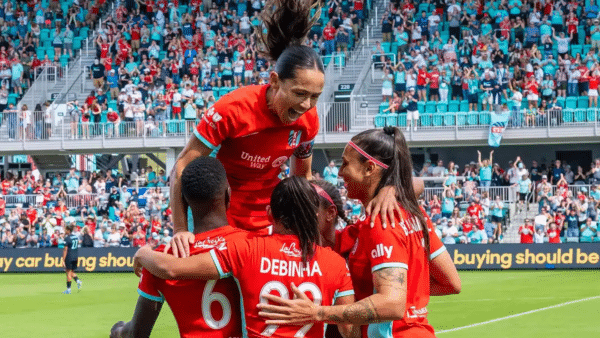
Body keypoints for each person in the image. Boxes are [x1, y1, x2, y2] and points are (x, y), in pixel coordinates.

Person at [169, 0, 411, 257]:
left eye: (315, 96)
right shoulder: (232, 109)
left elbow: (301, 179)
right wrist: (180, 229)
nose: (307, 104)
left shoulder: (308, 121)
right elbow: (182, 166)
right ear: (274, 81)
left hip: (270, 223)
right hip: (220, 221)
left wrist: (388, 187)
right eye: (299, 93)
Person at [258, 127, 461, 337]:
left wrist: (317, 312)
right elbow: (451, 283)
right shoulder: (412, 214)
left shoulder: (382, 222)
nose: (339, 172)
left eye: (345, 163)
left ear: (369, 169)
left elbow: (392, 304)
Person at [132, 175, 357, 338]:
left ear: (269, 214)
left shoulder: (247, 249)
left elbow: (172, 269)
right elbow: (349, 330)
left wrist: (144, 253)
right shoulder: (336, 264)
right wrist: (320, 313)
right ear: (314, 214)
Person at [111, 157, 247, 338]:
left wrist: (118, 331)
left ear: (183, 201)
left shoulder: (161, 259)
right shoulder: (252, 244)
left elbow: (136, 334)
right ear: (228, 195)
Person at [61, 224, 82, 294]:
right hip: (75, 256)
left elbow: (65, 250)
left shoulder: (67, 238)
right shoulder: (75, 237)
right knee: (71, 271)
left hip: (69, 256)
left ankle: (68, 290)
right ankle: (78, 281)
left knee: (68, 273)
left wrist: (63, 259)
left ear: (68, 230)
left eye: (65, 230)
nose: (65, 231)